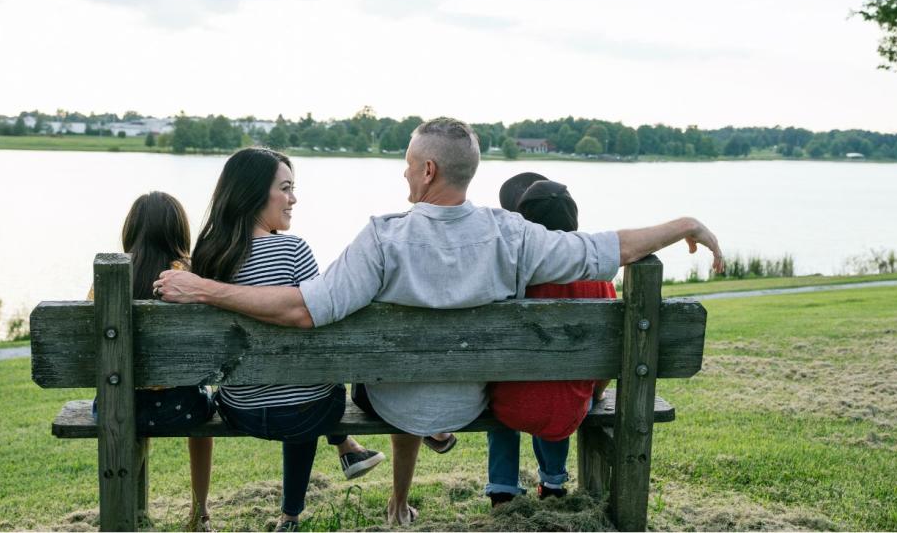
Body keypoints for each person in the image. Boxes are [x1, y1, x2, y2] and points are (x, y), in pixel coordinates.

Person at [154, 118, 723, 526]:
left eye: (406, 164)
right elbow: (601, 249)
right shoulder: (513, 234)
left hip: (395, 407)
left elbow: (303, 308)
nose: (403, 176)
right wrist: (683, 224)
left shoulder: (382, 237)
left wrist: (202, 286)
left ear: (427, 170)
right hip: (470, 406)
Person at [188, 148, 384, 533]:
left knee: (300, 387)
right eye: (286, 188)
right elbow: (322, 329)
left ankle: (346, 451)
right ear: (253, 193)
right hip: (307, 414)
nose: (293, 199)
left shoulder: (207, 257)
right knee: (309, 392)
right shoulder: (294, 250)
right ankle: (292, 514)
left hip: (239, 408)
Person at [484, 172, 613, 507]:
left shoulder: (512, 266)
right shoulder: (598, 271)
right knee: (558, 397)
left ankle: (502, 490)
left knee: (509, 400)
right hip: (571, 407)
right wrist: (595, 393)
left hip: (509, 404)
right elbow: (608, 354)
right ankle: (553, 484)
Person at [92, 192, 216, 531]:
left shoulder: (108, 278)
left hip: (115, 408)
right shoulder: (191, 275)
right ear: (179, 232)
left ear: (132, 229)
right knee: (201, 405)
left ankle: (126, 513)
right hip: (182, 408)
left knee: (127, 396)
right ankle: (199, 513)